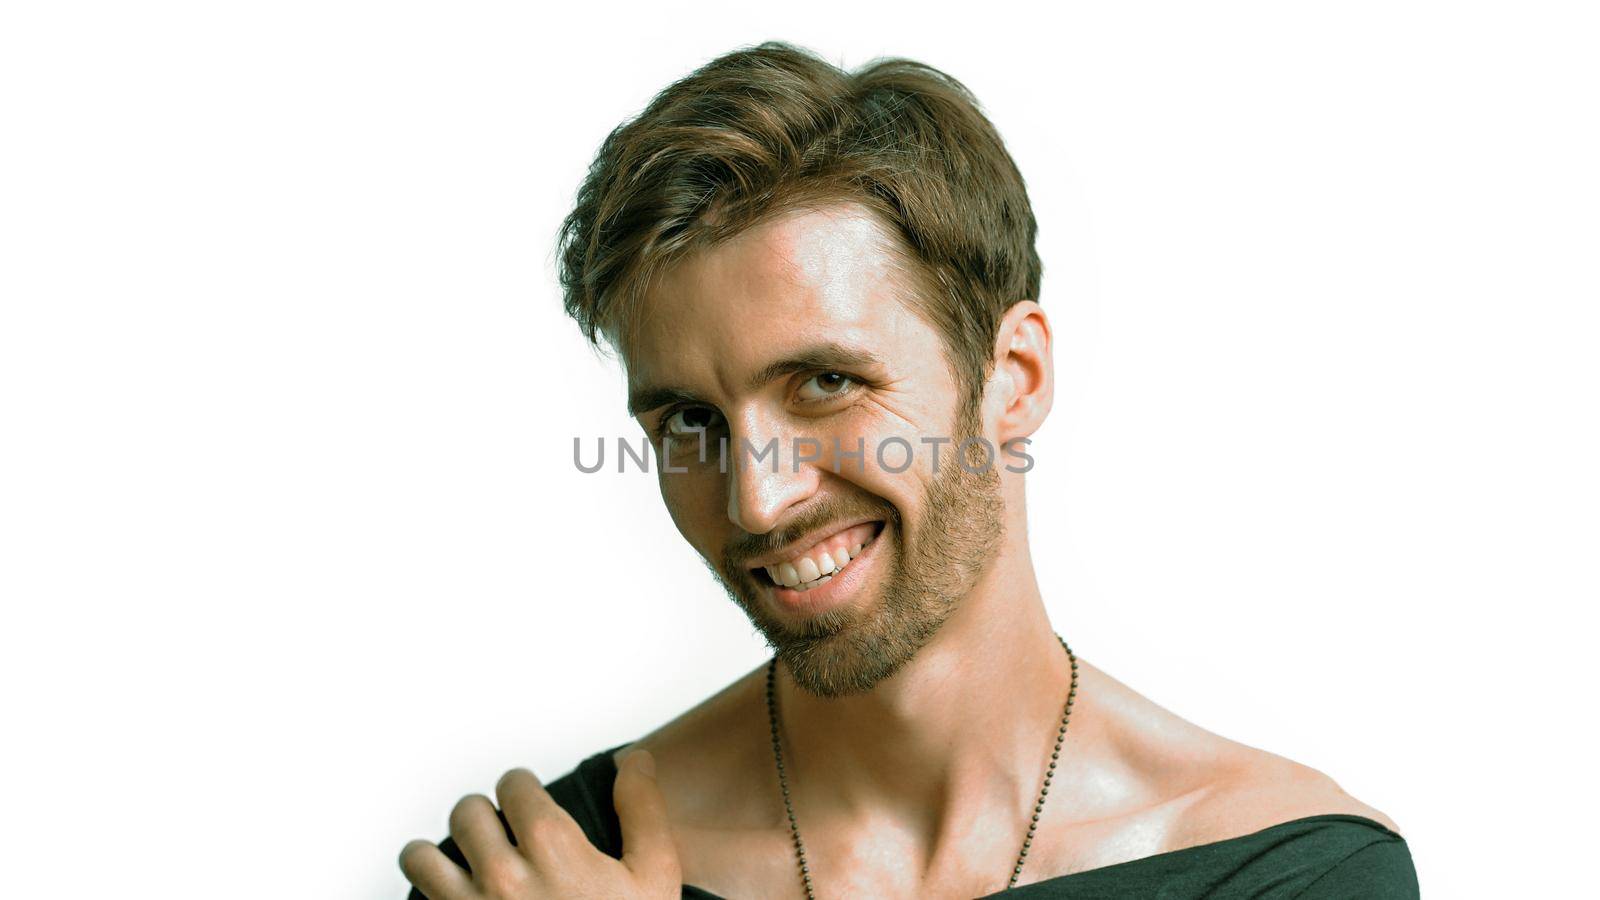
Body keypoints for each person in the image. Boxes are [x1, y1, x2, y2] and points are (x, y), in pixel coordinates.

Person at [398, 42, 1419, 899]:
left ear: (1011, 379)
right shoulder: (540, 871)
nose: (759, 497)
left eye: (826, 382)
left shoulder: (1287, 874)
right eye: (689, 420)